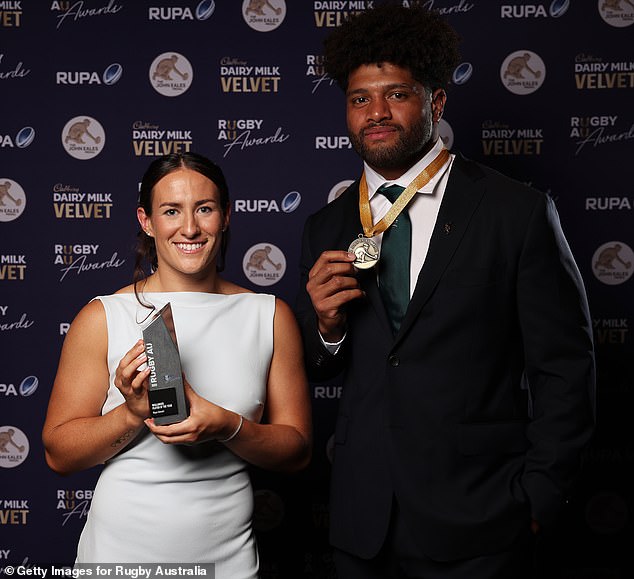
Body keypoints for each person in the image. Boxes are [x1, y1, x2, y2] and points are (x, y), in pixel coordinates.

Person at [294, 4, 595, 578]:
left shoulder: (515, 212)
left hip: (483, 519)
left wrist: (538, 497)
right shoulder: (326, 226)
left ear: (436, 101)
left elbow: (566, 367)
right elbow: (325, 367)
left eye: (396, 94)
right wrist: (327, 330)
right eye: (360, 99)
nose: (376, 113)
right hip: (364, 525)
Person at [42, 152, 312, 578]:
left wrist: (226, 425)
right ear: (147, 221)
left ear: (225, 216)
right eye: (171, 211)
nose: (189, 228)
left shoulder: (268, 315)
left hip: (227, 563)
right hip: (117, 560)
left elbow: (296, 452)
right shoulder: (102, 317)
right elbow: (58, 454)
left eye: (204, 209)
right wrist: (131, 413)